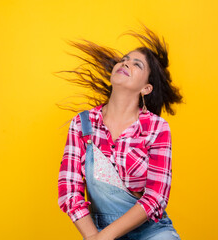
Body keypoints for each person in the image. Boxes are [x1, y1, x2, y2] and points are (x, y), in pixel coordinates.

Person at [57, 25, 183, 240]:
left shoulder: (156, 128)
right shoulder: (83, 124)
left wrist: (104, 238)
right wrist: (93, 237)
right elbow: (69, 191)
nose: (126, 63)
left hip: (151, 232)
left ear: (146, 89)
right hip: (97, 232)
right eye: (124, 59)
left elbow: (156, 197)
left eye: (137, 65)